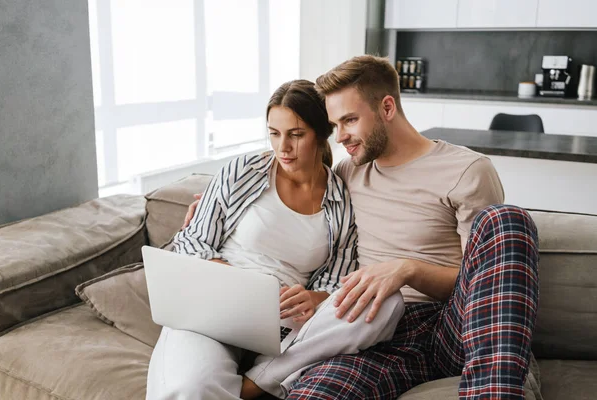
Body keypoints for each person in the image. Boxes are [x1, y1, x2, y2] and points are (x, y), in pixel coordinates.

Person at [184, 56, 540, 399]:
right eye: (335, 125)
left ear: (387, 108)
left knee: (507, 222)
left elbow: (486, 280)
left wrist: (408, 271)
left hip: (448, 326)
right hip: (369, 329)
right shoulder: (347, 173)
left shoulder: (467, 170)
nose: (339, 137)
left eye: (349, 121)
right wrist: (216, 204)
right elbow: (294, 196)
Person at [146, 79, 405, 400]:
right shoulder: (242, 171)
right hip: (214, 306)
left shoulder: (341, 200)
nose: (283, 147)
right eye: (274, 133)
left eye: (296, 135)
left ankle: (259, 379)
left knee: (384, 305)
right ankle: (263, 380)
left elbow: (335, 278)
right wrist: (227, 276)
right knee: (192, 387)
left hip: (282, 323)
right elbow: (192, 243)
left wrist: (316, 298)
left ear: (322, 133)